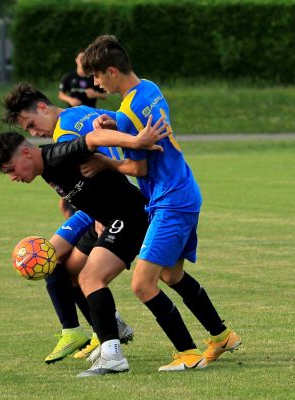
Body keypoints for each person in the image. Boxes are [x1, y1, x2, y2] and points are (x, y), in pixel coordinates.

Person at [80, 34, 241, 371]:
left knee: (142, 283)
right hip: (183, 190)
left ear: (111, 71)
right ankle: (222, 336)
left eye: (96, 76)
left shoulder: (127, 114)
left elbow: (136, 167)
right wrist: (115, 122)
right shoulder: (148, 89)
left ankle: (188, 353)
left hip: (170, 201)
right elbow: (133, 121)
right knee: (171, 274)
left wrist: (104, 161)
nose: (95, 83)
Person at [0, 124, 165, 377]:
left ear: (26, 153)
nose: (13, 177)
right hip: (108, 218)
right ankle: (111, 328)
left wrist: (136, 141)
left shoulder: (57, 155)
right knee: (69, 271)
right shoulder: (46, 170)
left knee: (90, 277)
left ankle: (113, 355)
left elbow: (93, 137)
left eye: (11, 169)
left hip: (129, 214)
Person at [2, 83, 131, 363]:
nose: (35, 134)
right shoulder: (81, 110)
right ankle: (101, 328)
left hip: (107, 206)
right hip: (101, 202)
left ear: (43, 108)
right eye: (28, 131)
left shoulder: (62, 133)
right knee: (67, 266)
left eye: (33, 125)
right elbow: (123, 123)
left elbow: (92, 159)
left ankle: (88, 330)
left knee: (51, 257)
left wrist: (99, 214)